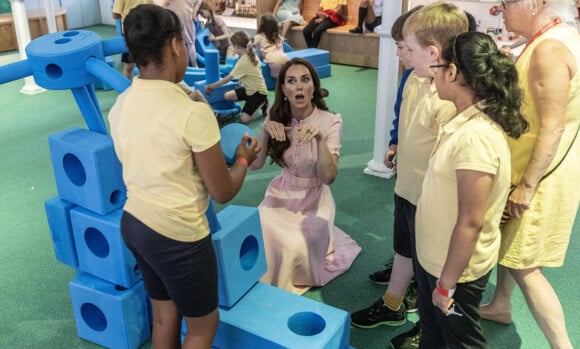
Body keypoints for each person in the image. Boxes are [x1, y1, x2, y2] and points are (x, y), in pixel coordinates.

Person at [107, 5, 260, 349]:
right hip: (179, 239)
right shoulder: (191, 114)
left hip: (135, 224)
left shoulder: (121, 104)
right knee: (203, 327)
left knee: (164, 316)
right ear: (176, 45)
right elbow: (222, 191)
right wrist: (244, 160)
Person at [350, 3, 467, 349]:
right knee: (405, 250)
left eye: (408, 49)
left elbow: (450, 161)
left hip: (431, 202)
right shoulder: (415, 80)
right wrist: (397, 144)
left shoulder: (446, 99)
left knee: (433, 267)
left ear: (432, 53)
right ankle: (392, 303)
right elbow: (407, 125)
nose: (402, 54)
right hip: (406, 189)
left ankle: (432, 326)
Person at [416, 31, 528, 348]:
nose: (432, 77)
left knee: (462, 341)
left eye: (436, 69)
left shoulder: (476, 136)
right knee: (434, 334)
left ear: (452, 72)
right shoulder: (461, 119)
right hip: (435, 262)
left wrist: (446, 286)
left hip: (455, 275)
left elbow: (471, 221)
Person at [479, 1, 580, 348]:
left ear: (535, 3)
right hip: (539, 169)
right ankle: (501, 305)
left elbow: (552, 126)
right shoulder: (554, 38)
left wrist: (527, 186)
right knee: (514, 249)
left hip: (541, 175)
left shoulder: (548, 50)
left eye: (507, 2)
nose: (500, 8)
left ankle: (562, 345)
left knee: (527, 267)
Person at [250, 58, 361, 295]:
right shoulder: (275, 113)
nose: (299, 86)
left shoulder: (331, 120)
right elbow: (255, 166)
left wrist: (319, 140)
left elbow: (329, 177)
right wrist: (264, 131)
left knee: (291, 244)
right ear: (283, 89)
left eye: (305, 80)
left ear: (313, 86)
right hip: (280, 193)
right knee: (260, 229)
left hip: (314, 201)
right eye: (291, 81)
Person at [205, 31, 268, 124]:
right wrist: (241, 80)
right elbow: (255, 71)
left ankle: (263, 102)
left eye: (233, 46)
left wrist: (211, 86)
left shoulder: (243, 61)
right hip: (249, 89)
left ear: (237, 46)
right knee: (227, 96)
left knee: (243, 120)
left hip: (259, 93)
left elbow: (227, 79)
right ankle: (252, 101)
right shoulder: (251, 53)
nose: (232, 48)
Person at [112, 0, 153, 80]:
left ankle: (144, 88)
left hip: (143, 31)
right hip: (133, 33)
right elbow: (115, 14)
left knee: (138, 65)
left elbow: (115, 14)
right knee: (131, 65)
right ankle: (126, 89)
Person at [162, 0, 202, 67]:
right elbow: (194, 16)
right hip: (185, 14)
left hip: (171, 14)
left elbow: (167, 2)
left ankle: (175, 66)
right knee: (190, 43)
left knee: (172, 41)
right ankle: (195, 66)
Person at [254, 13, 289, 78]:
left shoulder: (259, 37)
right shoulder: (278, 36)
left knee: (277, 79)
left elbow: (258, 56)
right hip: (285, 58)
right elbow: (282, 50)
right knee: (285, 77)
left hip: (273, 60)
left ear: (261, 26)